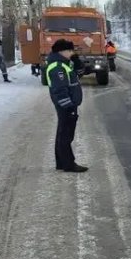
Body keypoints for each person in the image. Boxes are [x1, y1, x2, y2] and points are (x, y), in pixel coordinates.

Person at [46, 39, 87, 173]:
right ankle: (68, 164)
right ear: (62, 51)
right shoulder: (57, 67)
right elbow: (60, 90)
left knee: (63, 132)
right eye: (70, 51)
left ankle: (61, 162)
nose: (72, 53)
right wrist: (68, 106)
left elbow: (80, 73)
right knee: (66, 135)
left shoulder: (64, 64)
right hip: (66, 106)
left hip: (68, 104)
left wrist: (76, 60)